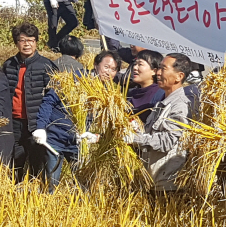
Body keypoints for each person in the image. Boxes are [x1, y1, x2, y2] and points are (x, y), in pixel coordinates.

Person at [35, 51, 118, 192]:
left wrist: (95, 135)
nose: (109, 72)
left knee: (83, 185)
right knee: (50, 183)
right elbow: (48, 101)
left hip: (79, 143)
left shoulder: (108, 93)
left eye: (113, 69)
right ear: (96, 65)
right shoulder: (74, 79)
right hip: (55, 139)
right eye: (106, 67)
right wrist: (41, 127)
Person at [2, 23, 58, 183]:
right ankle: (15, 191)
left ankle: (35, 194)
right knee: (15, 161)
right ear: (16, 43)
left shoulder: (45, 65)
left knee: (37, 162)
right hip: (14, 121)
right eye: (22, 40)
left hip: (36, 123)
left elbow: (54, 95)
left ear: (36, 42)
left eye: (31, 40)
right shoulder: (9, 65)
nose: (27, 44)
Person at [129, 53, 192, 193]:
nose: (158, 73)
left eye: (163, 69)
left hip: (168, 185)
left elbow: (167, 141)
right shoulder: (161, 103)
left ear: (179, 76)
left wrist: (136, 138)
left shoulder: (180, 106)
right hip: (154, 181)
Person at [127, 50, 165, 123]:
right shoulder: (132, 93)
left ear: (154, 71)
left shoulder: (160, 95)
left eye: (140, 64)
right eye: (135, 64)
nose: (135, 67)